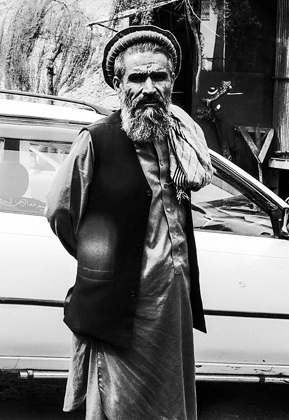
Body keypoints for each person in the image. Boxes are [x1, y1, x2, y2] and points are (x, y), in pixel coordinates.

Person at [45, 25, 213, 420]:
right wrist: (102, 261)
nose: (150, 87)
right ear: (119, 84)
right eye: (137, 77)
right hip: (122, 310)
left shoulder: (181, 139)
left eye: (160, 76)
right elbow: (61, 213)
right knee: (121, 407)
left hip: (172, 308)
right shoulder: (97, 141)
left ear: (172, 81)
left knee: (171, 405)